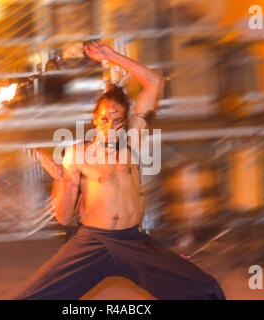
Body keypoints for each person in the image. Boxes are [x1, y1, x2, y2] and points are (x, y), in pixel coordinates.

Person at [15, 41, 225, 300]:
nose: (110, 126)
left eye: (117, 120)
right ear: (94, 119)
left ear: (126, 121)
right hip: (92, 242)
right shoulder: (77, 153)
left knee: (205, 290)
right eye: (104, 119)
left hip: (133, 242)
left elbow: (155, 83)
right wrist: (62, 181)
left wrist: (112, 56)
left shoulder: (131, 141)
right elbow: (64, 218)